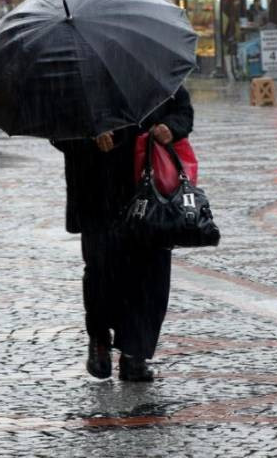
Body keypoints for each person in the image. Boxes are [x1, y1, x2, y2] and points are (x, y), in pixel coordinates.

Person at [53, 87, 194, 382]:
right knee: (102, 271)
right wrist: (89, 136)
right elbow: (58, 128)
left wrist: (171, 127)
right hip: (97, 193)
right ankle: (100, 341)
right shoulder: (77, 76)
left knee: (151, 273)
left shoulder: (152, 69)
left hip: (149, 189)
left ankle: (135, 354)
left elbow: (183, 111)